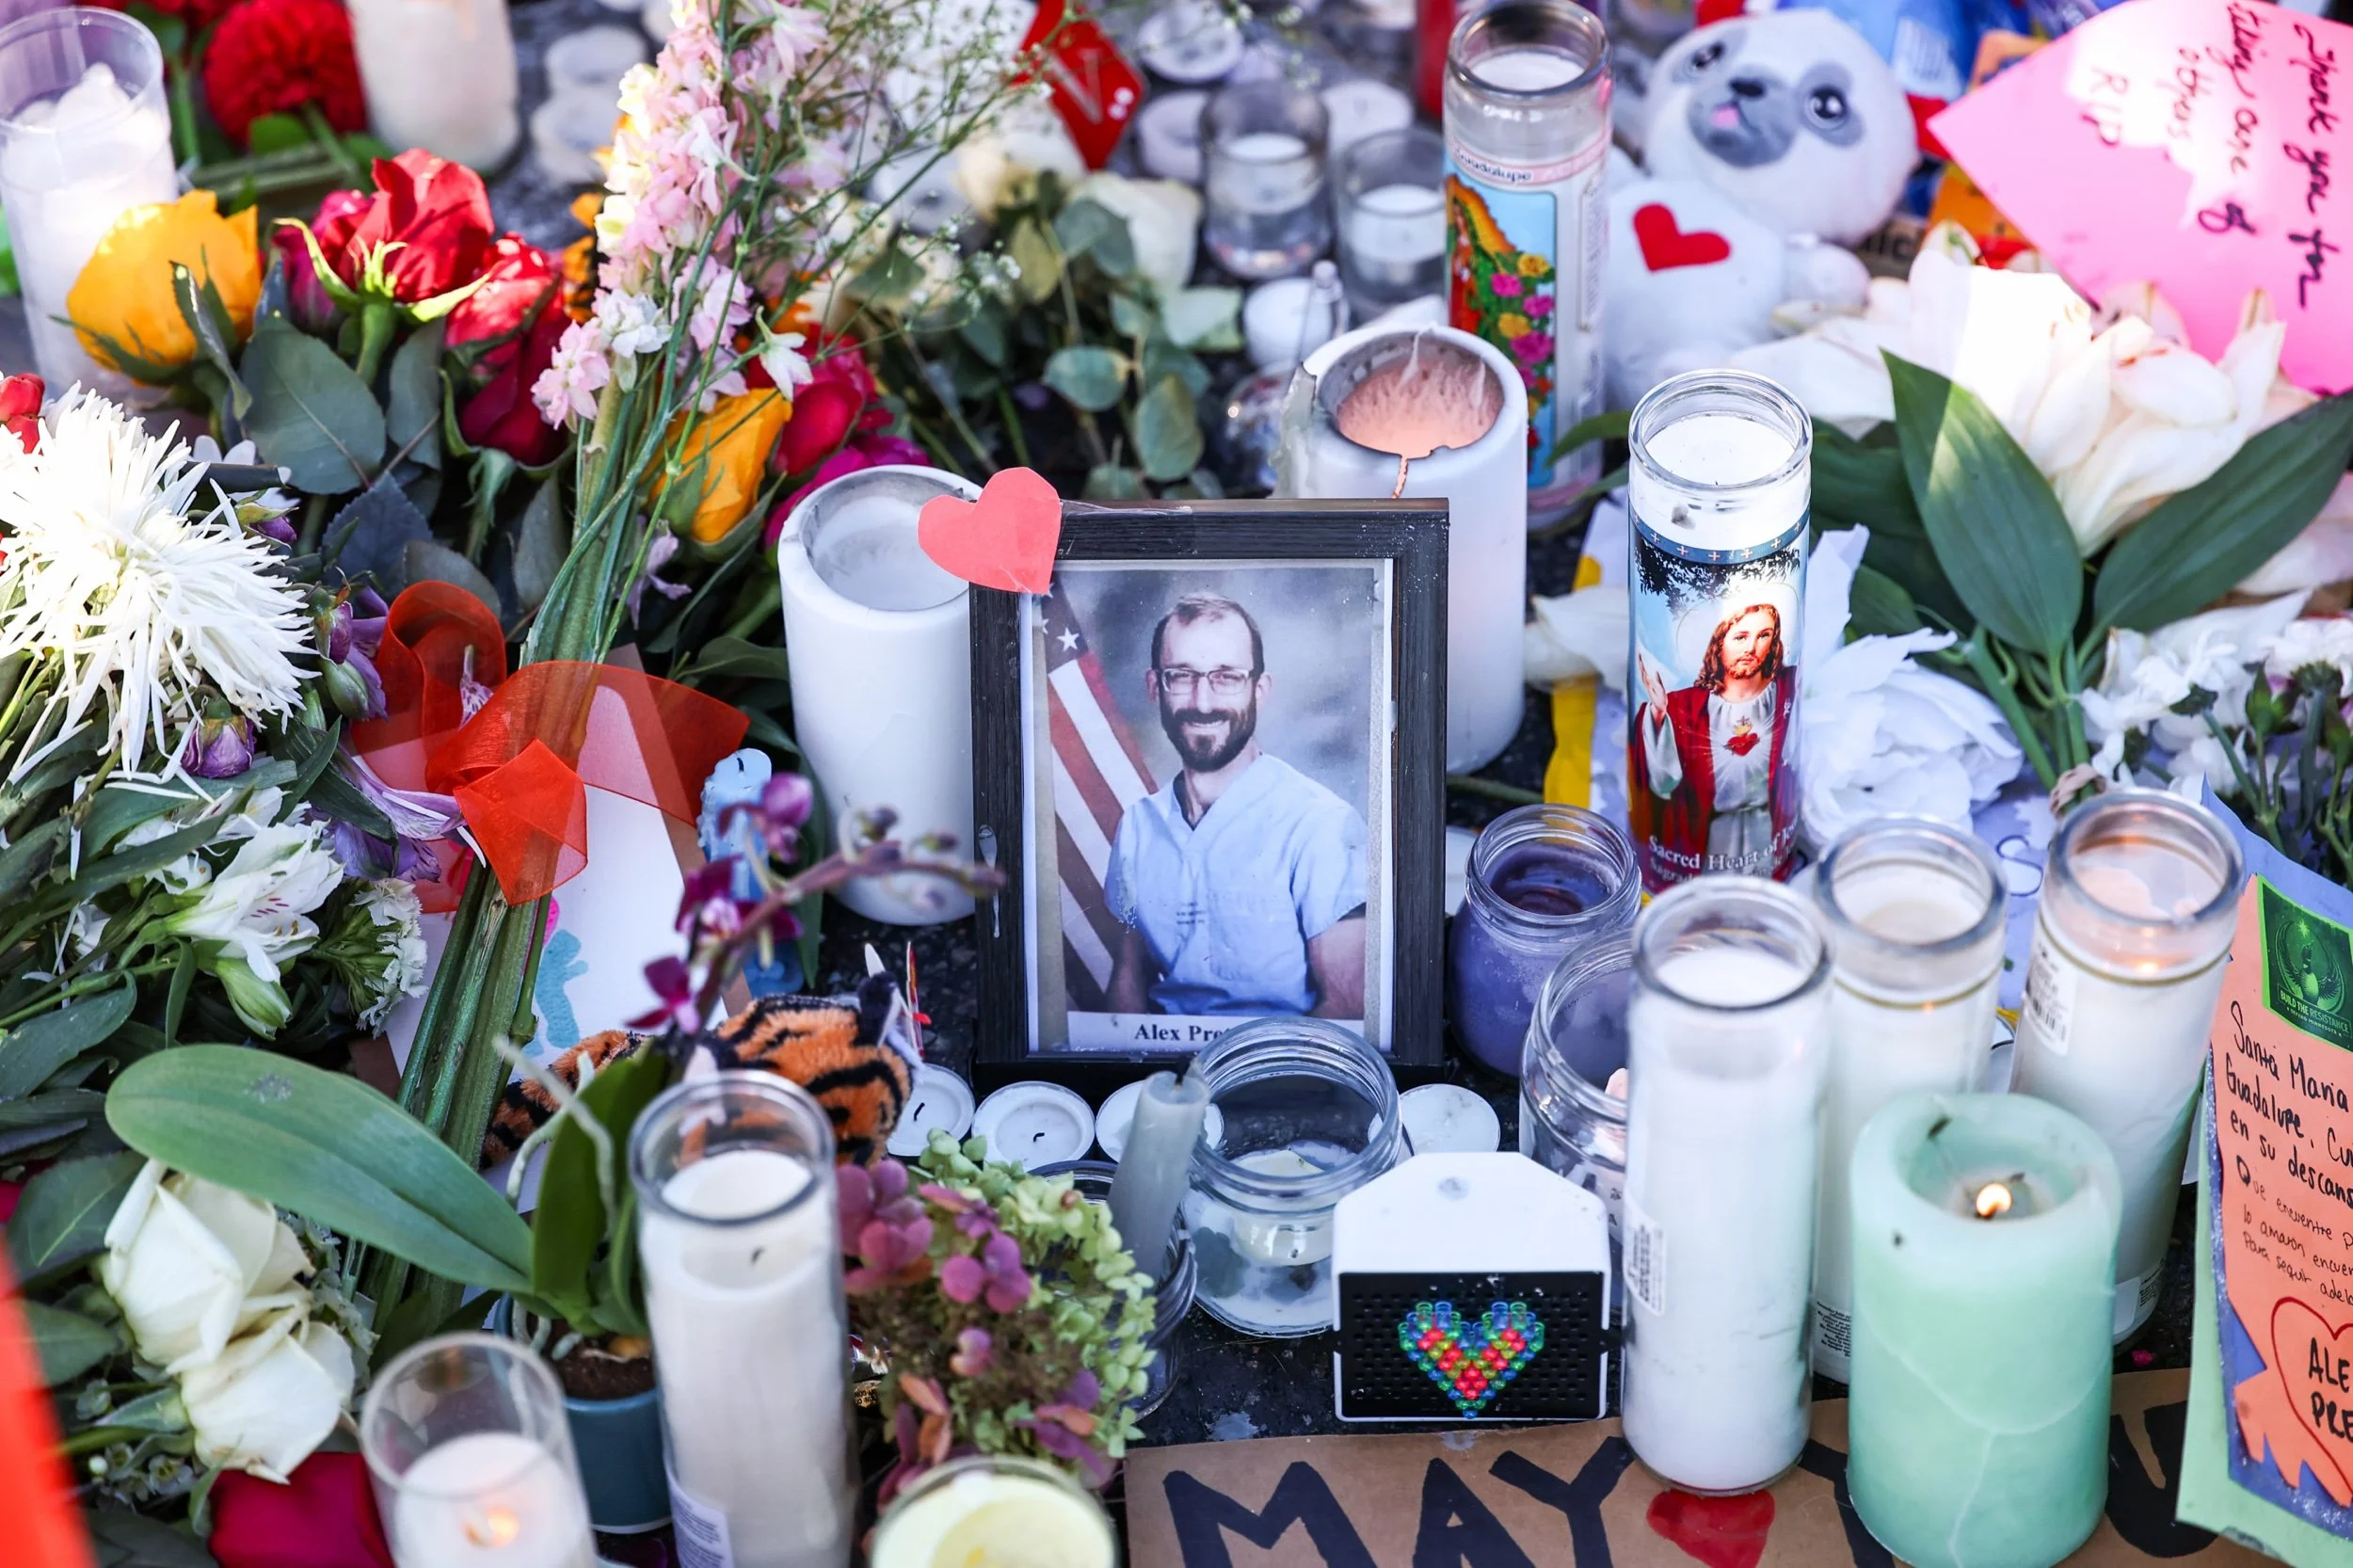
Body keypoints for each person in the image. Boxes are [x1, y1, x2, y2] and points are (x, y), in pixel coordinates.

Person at [1103, 593, 1369, 1019]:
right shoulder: (1137, 825)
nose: (1203, 702)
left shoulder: (1319, 823)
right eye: (1182, 676)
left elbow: (1348, 1005)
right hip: (1166, 1073)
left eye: (1226, 677)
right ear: (1155, 686)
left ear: (1259, 690)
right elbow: (1129, 978)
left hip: (1275, 1067)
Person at [1632, 597, 1797, 877]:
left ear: (1774, 642)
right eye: (1741, 637)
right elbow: (1663, 782)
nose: (1751, 648)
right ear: (1720, 644)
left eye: (1763, 635)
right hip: (1712, 832)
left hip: (1767, 825)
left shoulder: (1783, 690)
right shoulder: (1686, 708)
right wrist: (1659, 714)